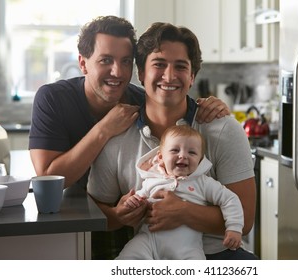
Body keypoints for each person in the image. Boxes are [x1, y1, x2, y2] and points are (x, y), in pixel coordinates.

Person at [28, 16, 230, 260]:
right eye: (105, 60)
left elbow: (174, 103)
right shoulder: (53, 98)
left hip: (130, 219)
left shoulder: (137, 100)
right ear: (83, 63)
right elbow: (49, 178)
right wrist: (103, 130)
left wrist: (207, 105)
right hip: (69, 214)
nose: (117, 72)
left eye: (125, 61)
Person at [87, 22, 257, 260]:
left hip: (218, 256)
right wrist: (118, 215)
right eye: (159, 64)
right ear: (141, 73)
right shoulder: (116, 135)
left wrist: (184, 212)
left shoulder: (223, 129)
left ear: (192, 76)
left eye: (181, 66)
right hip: (150, 254)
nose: (169, 76)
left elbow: (246, 219)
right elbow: (95, 212)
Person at [117, 125, 243, 259]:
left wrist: (234, 228)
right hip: (148, 241)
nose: (183, 155)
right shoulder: (152, 179)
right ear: (160, 157)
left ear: (200, 160)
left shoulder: (203, 182)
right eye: (175, 150)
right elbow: (139, 199)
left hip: (186, 247)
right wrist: (132, 203)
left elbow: (230, 199)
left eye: (192, 153)